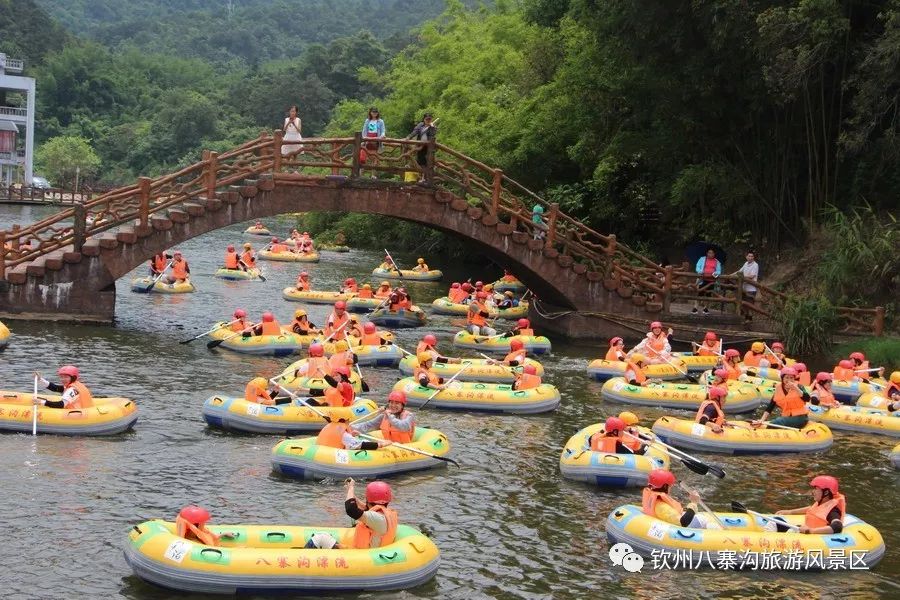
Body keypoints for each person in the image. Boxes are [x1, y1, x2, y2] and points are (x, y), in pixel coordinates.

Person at [766, 476, 846, 534]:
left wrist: (811, 531)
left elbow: (837, 526)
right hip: (801, 529)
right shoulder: (821, 504)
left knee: (789, 532)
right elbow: (810, 509)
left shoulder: (833, 511)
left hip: (808, 537)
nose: (813, 492)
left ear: (826, 492)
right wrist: (790, 512)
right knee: (775, 521)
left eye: (816, 489)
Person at [641, 470, 710, 528]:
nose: (671, 487)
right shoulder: (662, 507)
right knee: (702, 519)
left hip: (667, 520)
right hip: (680, 527)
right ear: (665, 486)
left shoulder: (652, 496)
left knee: (700, 517)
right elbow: (683, 522)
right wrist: (693, 503)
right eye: (670, 486)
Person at [344, 479, 398, 548]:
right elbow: (365, 508)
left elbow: (351, 509)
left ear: (368, 500)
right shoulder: (384, 514)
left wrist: (351, 487)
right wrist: (350, 492)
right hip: (375, 553)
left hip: (364, 556)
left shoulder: (377, 518)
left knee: (326, 538)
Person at [408, 113, 437, 182]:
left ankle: (426, 178)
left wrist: (432, 127)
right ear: (424, 119)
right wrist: (408, 137)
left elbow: (432, 135)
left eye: (429, 119)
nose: (428, 120)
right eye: (427, 119)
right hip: (420, 146)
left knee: (428, 162)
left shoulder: (433, 127)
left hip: (429, 147)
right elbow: (415, 132)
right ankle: (421, 177)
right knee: (420, 162)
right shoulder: (420, 125)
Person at [732, 251, 759, 324]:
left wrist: (742, 277)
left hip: (751, 288)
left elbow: (752, 276)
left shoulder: (755, 265)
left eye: (752, 256)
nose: (750, 258)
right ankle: (746, 318)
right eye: (749, 256)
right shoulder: (746, 264)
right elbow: (739, 271)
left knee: (749, 304)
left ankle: (750, 319)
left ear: (754, 257)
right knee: (744, 304)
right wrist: (731, 275)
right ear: (746, 257)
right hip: (744, 288)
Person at [693, 248, 721, 315]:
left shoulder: (717, 262)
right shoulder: (702, 259)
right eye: (709, 252)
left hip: (711, 280)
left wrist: (714, 273)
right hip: (702, 279)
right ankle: (695, 308)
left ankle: (705, 308)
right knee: (700, 293)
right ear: (707, 253)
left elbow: (719, 271)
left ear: (714, 254)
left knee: (708, 294)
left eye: (712, 253)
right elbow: (697, 267)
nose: (710, 254)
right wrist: (700, 271)